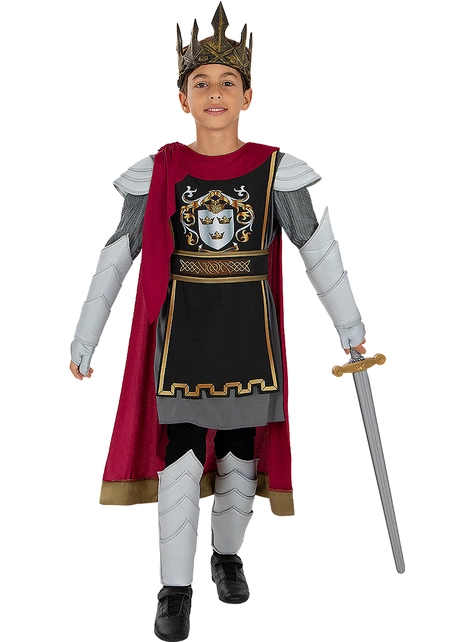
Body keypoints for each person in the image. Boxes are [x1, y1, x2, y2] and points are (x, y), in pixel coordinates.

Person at [70, 4, 366, 640]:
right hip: (182, 336)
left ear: (247, 96)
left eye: (227, 82)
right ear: (182, 98)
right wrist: (85, 333)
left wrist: (350, 324)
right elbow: (120, 251)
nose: (214, 92)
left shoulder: (276, 171)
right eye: (200, 82)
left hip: (250, 336)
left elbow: (316, 248)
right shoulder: (160, 172)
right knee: (179, 453)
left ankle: (226, 557)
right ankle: (173, 592)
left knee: (239, 452)